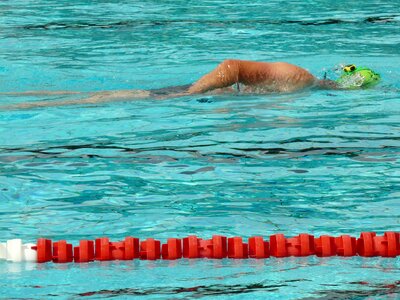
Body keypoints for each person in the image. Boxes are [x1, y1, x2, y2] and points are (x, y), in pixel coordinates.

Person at [1, 60, 380, 109]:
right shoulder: (299, 78)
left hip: (202, 88)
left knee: (101, 97)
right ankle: (19, 107)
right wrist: (194, 93)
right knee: (104, 99)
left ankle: (19, 100)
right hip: (199, 87)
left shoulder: (302, 87)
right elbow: (232, 66)